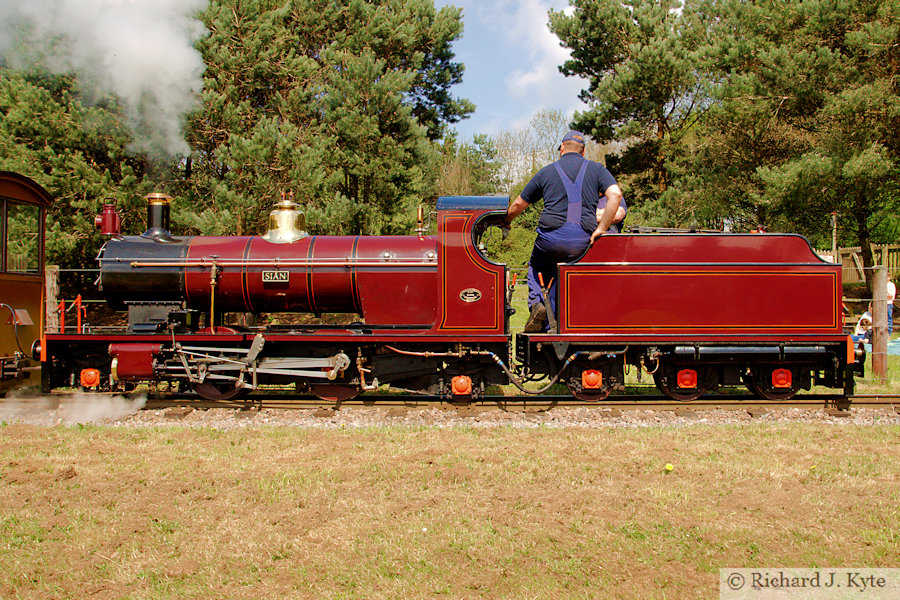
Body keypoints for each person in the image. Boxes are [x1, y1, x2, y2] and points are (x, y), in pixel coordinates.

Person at [503, 130, 624, 332]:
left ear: (561, 148)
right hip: (583, 242)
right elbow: (616, 195)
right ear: (584, 151)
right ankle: (563, 322)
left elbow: (518, 204)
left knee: (536, 265)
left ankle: (537, 305)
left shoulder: (547, 171)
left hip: (550, 239)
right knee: (563, 273)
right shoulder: (597, 170)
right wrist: (601, 229)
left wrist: (506, 220)